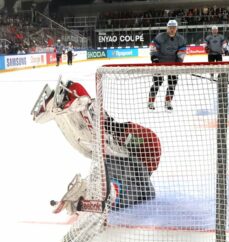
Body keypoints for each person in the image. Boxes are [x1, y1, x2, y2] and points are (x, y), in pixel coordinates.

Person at [31, 78, 161, 212]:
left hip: (130, 155)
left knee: (99, 154)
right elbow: (129, 139)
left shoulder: (135, 166)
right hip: (135, 153)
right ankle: (88, 193)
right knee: (107, 156)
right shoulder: (140, 163)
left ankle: (87, 192)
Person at [148, 19, 187, 110]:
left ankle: (168, 102)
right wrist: (154, 58)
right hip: (159, 64)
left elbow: (182, 51)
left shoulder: (180, 39)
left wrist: (179, 61)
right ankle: (151, 102)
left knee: (172, 84)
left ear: (176, 28)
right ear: (167, 28)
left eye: (173, 28)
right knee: (157, 83)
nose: (172, 29)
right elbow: (153, 47)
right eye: (170, 28)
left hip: (172, 65)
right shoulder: (160, 37)